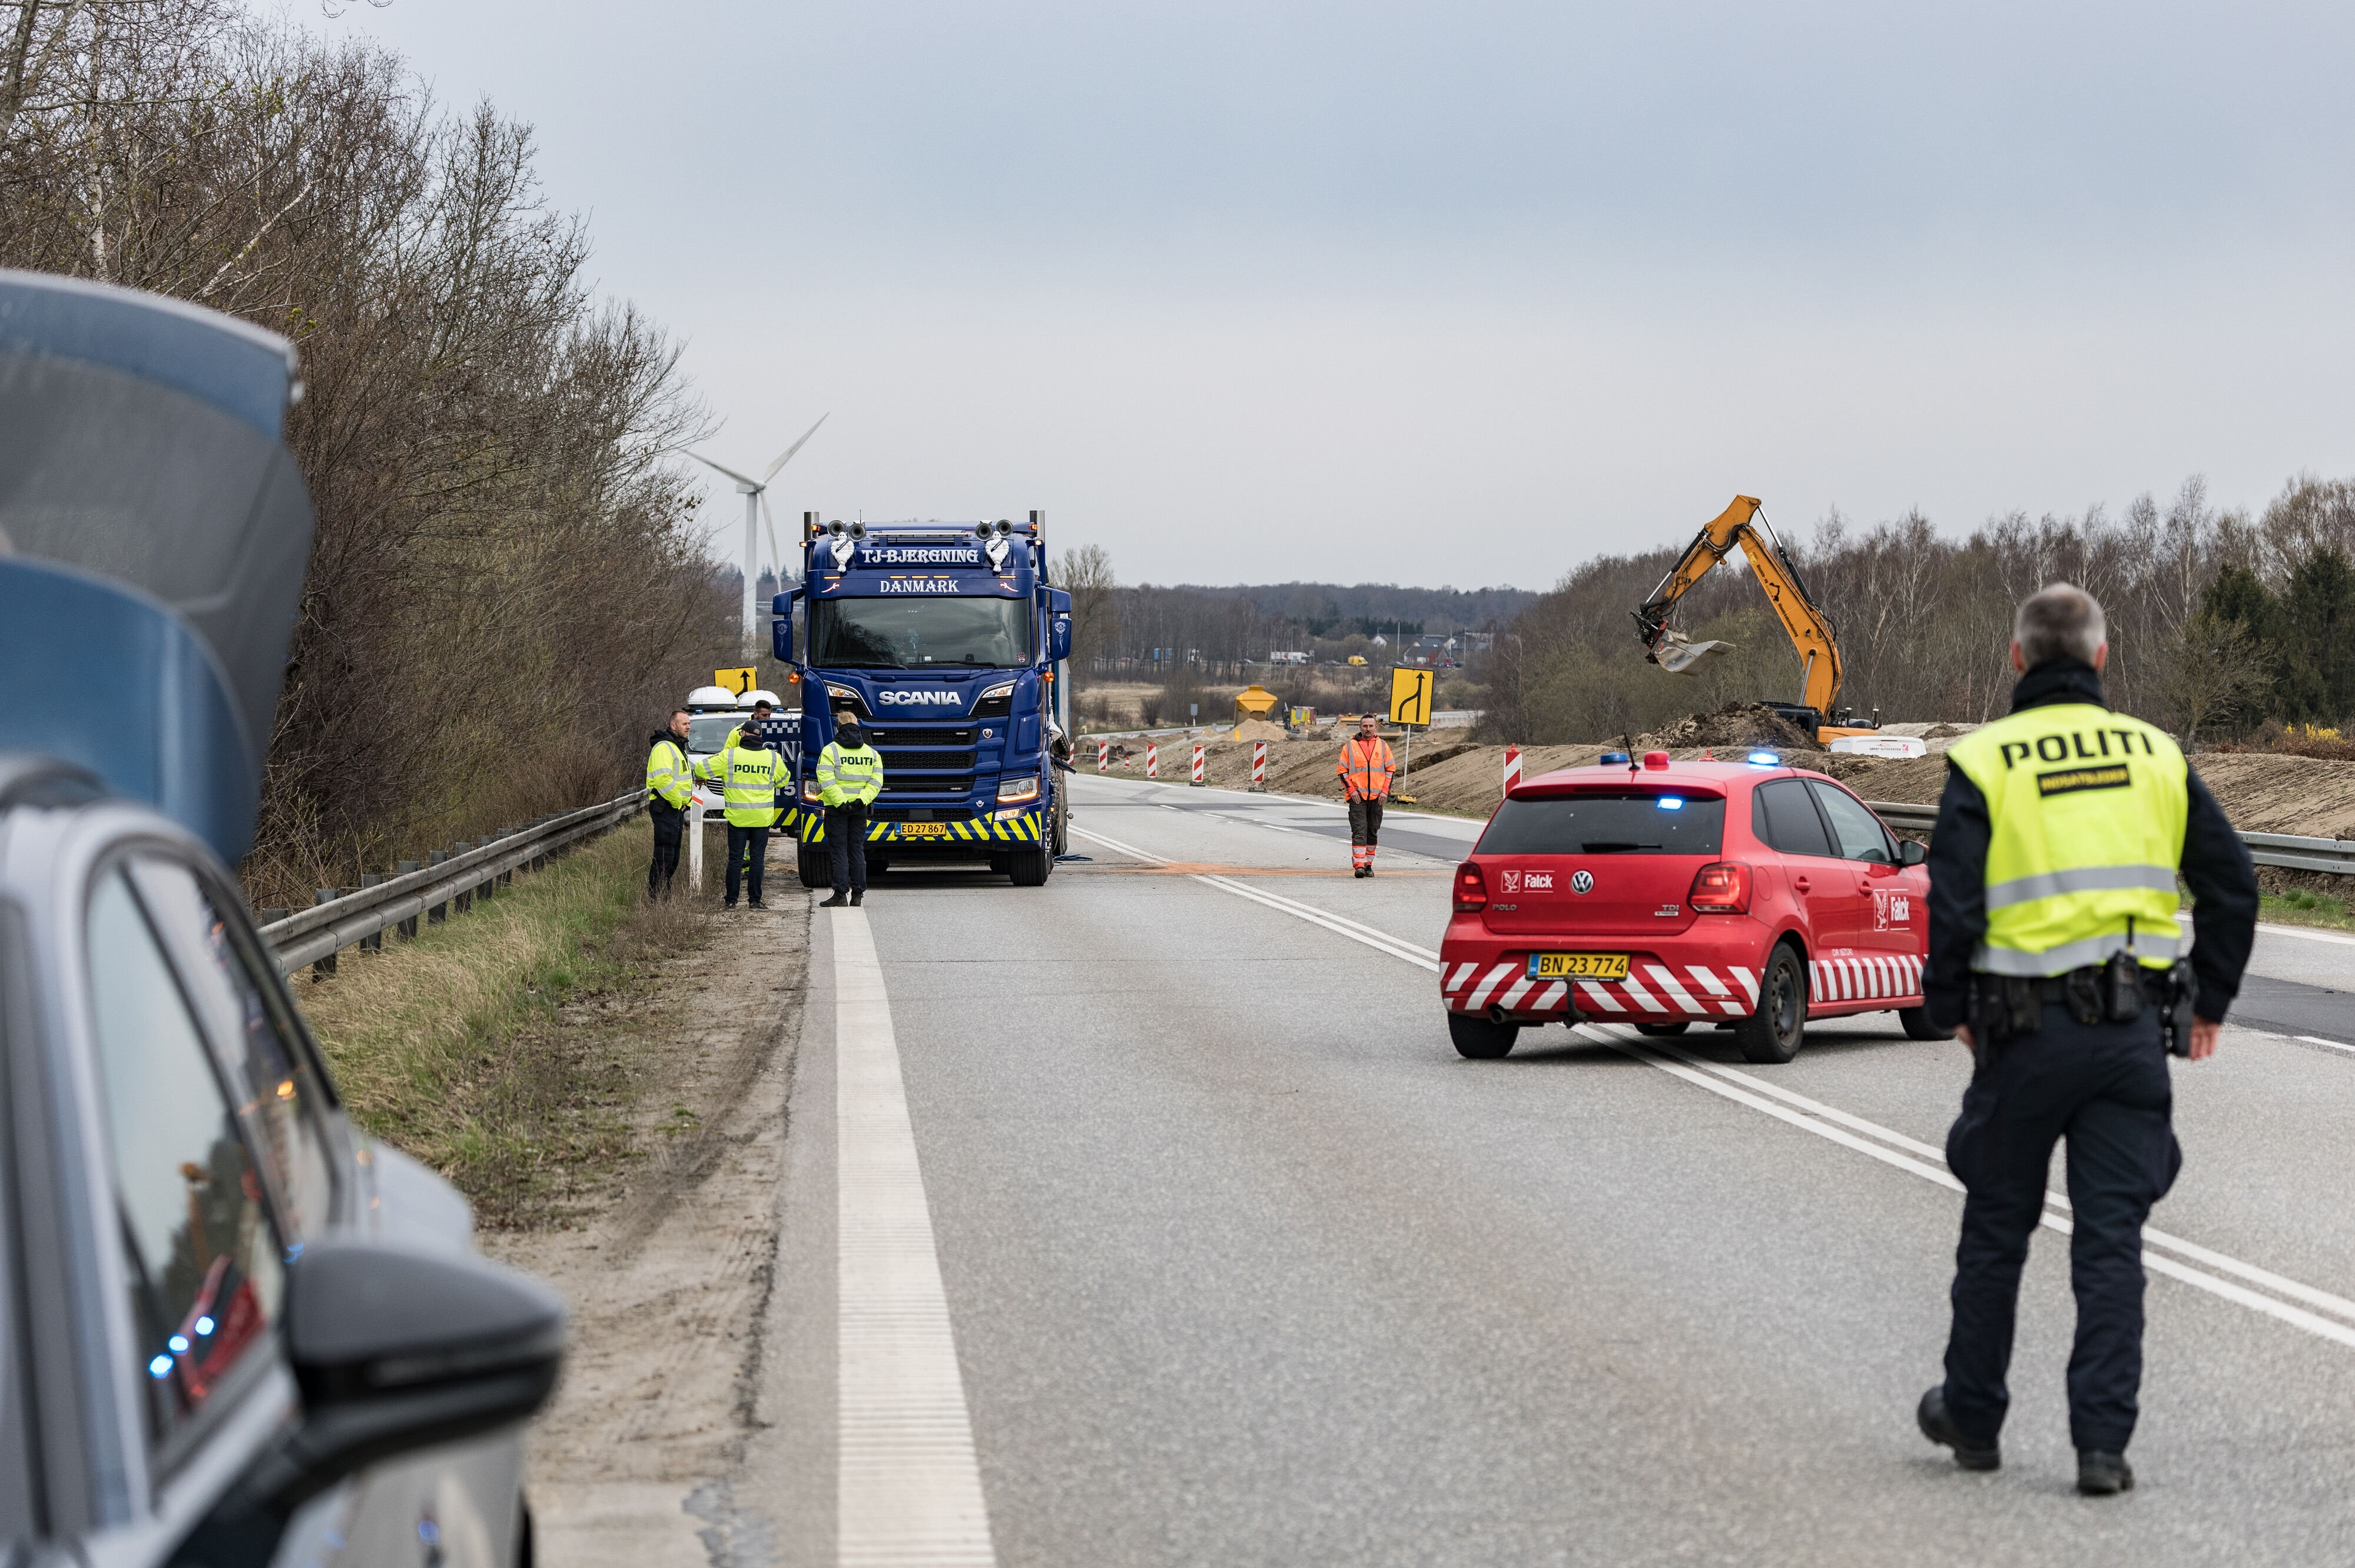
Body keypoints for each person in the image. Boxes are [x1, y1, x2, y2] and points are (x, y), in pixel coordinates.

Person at [1915, 582, 2256, 1496]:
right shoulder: (2155, 755)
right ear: (2103, 659)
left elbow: (1951, 901)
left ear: (2017, 659)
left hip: (2021, 1041)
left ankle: (1974, 1420)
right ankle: (2101, 1448)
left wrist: (1949, 1003)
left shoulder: (1986, 759)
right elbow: (2233, 885)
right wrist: (2210, 1001)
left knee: (1996, 1233)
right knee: (2111, 1246)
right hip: (2130, 1042)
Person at [696, 720, 789, 909]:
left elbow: (699, 769)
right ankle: (755, 900)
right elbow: (783, 781)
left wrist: (710, 775)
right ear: (760, 736)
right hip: (761, 818)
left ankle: (731, 901)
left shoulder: (729, 756)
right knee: (757, 859)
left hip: (738, 818)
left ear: (743, 735)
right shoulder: (773, 758)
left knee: (736, 859)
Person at [815, 711, 883, 908]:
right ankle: (858, 895)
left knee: (839, 851)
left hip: (837, 810)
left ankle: (840, 894)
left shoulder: (830, 751)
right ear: (857, 727)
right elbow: (877, 781)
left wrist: (841, 803)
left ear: (838, 727)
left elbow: (826, 781)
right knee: (856, 850)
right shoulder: (871, 754)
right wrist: (861, 801)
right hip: (860, 809)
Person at [1336, 714, 1395, 877]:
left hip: (1378, 798)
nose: (1368, 729)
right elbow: (1342, 771)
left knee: (1373, 831)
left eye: (1371, 726)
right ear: (1360, 728)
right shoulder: (1350, 747)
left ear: (1376, 727)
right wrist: (1352, 791)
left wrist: (1385, 792)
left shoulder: (1383, 746)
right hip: (1357, 797)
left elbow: (1390, 770)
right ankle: (1359, 865)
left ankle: (1368, 865)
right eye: (1365, 726)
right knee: (1359, 830)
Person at [645, 708, 694, 899]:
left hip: (675, 809)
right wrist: (678, 802)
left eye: (689, 723)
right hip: (666, 808)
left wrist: (684, 803)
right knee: (664, 857)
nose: (689, 727)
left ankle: (664, 897)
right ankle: (656, 898)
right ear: (674, 726)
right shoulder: (664, 747)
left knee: (672, 857)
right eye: (685, 724)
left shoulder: (676, 746)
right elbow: (663, 780)